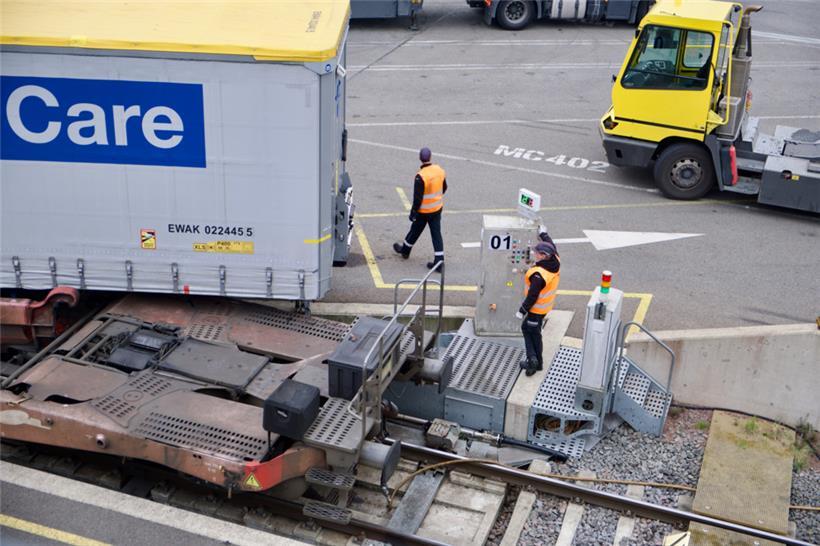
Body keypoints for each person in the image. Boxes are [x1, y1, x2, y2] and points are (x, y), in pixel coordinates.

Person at [393, 147, 447, 273]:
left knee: (415, 230)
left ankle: (405, 250)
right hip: (437, 209)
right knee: (436, 234)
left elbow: (417, 199)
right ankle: (439, 261)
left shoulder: (420, 176)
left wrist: (413, 213)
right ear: (430, 157)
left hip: (424, 211)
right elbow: (444, 187)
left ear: (420, 158)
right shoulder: (439, 170)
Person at [515, 233, 560, 376]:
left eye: (537, 252)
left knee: (533, 333)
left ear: (543, 256)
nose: (534, 254)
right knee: (528, 329)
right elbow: (553, 245)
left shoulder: (539, 275)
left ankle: (534, 362)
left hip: (536, 310)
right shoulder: (555, 261)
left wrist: (522, 310)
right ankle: (535, 360)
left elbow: (532, 295)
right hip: (544, 308)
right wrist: (544, 235)